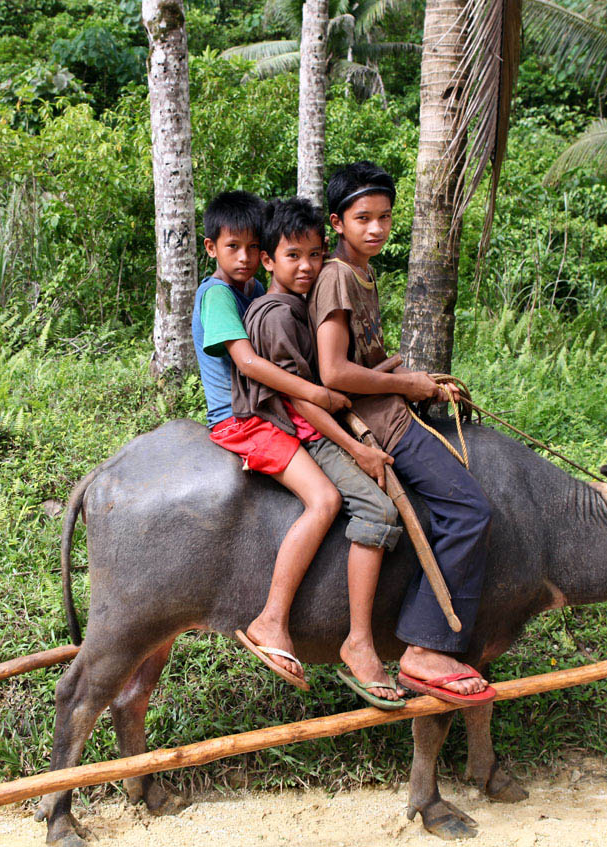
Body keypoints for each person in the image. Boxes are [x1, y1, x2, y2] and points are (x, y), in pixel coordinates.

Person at [309, 161, 496, 705]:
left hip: (391, 404)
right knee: (469, 509)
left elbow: (360, 361)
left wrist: (419, 384)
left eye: (385, 217)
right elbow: (333, 372)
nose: (375, 228)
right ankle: (424, 646)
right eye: (362, 218)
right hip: (381, 423)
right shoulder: (338, 276)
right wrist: (411, 385)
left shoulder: (363, 272)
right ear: (337, 223)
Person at [225, 196, 406, 708]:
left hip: (317, 420)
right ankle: (353, 638)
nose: (305, 267)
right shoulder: (278, 316)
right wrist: (356, 448)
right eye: (291, 257)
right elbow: (303, 396)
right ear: (268, 261)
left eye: (314, 256)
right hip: (304, 431)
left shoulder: (299, 307)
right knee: (377, 505)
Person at [191, 189, 350, 688]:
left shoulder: (253, 288)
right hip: (241, 419)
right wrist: (316, 394)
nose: (241, 258)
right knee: (324, 499)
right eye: (231, 246)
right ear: (210, 247)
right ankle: (272, 619)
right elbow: (248, 362)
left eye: (249, 248)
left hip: (267, 408)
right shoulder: (217, 294)